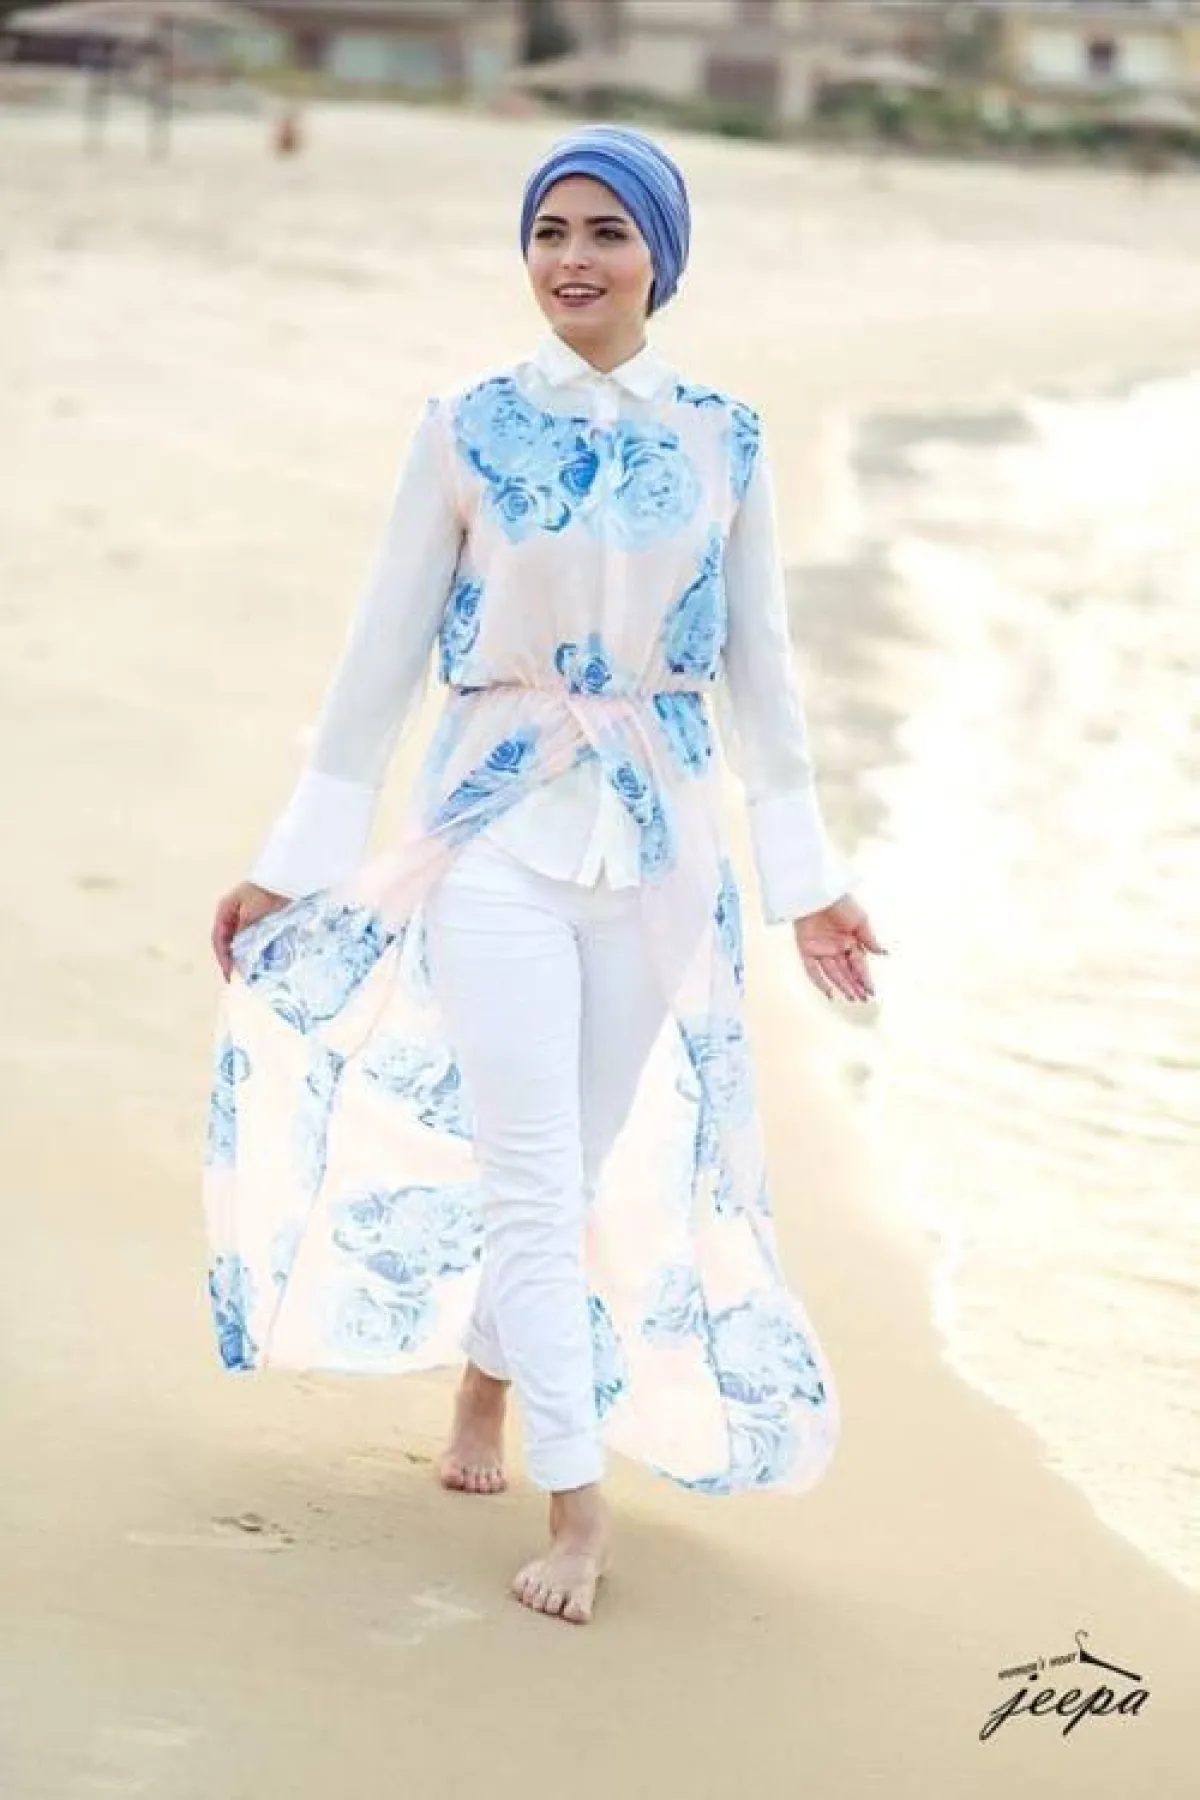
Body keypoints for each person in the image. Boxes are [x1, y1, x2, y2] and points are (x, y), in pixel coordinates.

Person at [207, 123, 886, 1628]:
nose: (572, 259)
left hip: (659, 853)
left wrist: (808, 883)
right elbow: (380, 655)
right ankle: (578, 1511)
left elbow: (764, 677)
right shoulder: (464, 425)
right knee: (529, 1179)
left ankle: (483, 1385)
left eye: (605, 233)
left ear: (660, 257)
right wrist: (289, 867)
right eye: (549, 232)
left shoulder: (725, 436)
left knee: (570, 1169)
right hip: (494, 840)